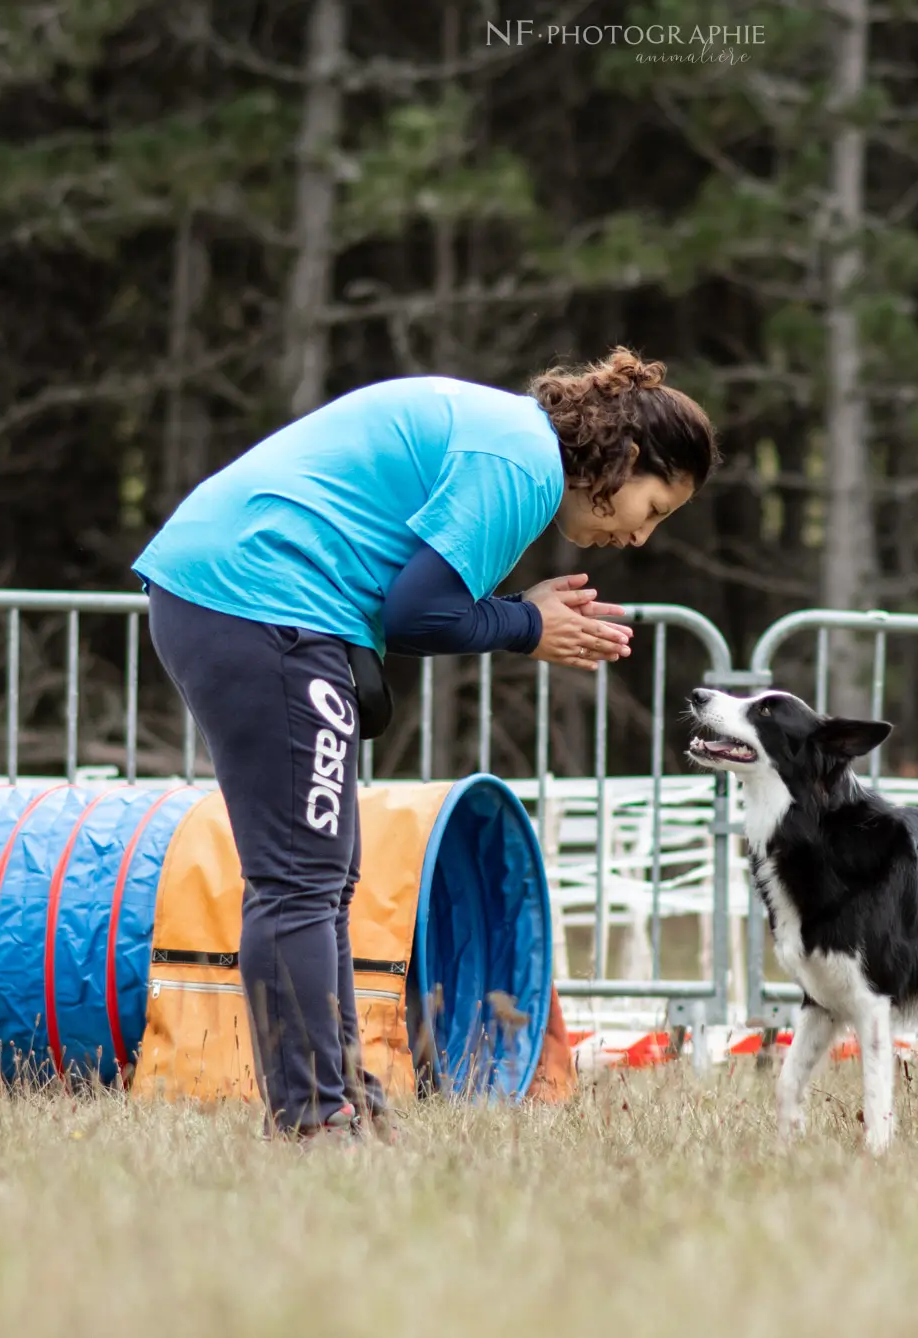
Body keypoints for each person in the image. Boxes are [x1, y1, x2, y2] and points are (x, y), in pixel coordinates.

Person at [133, 348, 719, 1140]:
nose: (642, 536)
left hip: (238, 594)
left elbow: (422, 596)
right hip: (260, 599)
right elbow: (417, 614)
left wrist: (518, 615)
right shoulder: (524, 466)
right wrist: (526, 624)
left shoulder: (513, 442)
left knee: (324, 874)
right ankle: (315, 1119)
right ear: (625, 458)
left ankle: (338, 1097)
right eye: (652, 507)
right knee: (300, 880)